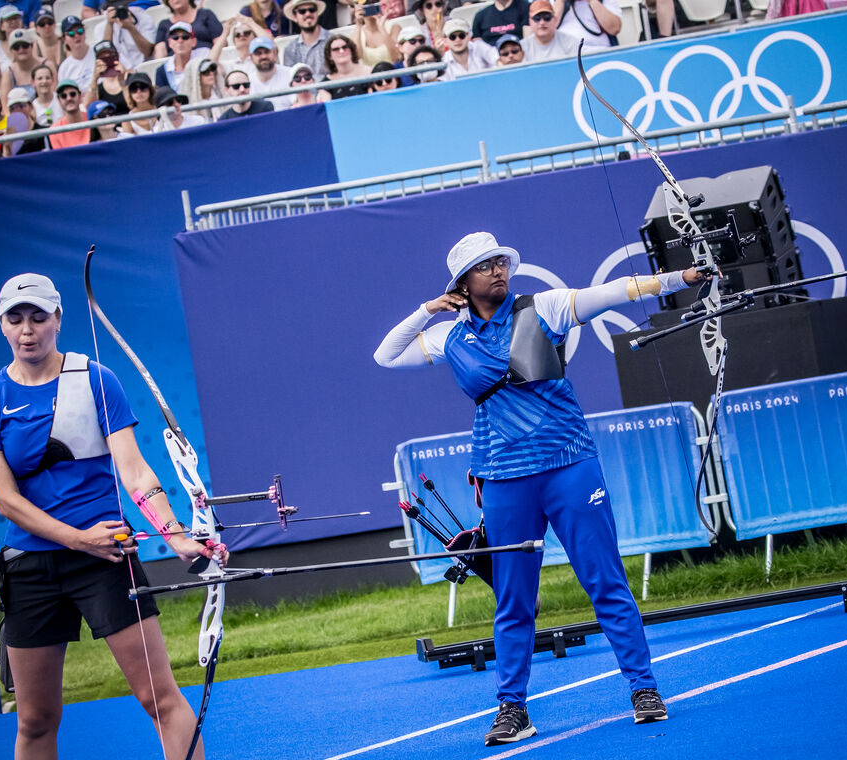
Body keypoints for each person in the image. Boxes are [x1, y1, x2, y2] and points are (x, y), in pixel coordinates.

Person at [374, 233, 709, 743]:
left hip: (569, 465)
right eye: (483, 267)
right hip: (504, 479)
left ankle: (643, 688)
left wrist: (678, 279)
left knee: (604, 581)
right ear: (462, 283)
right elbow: (386, 355)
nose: (497, 271)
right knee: (513, 599)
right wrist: (427, 309)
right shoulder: (450, 337)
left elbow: (618, 291)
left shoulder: (544, 307)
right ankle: (512, 709)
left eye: (499, 263)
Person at [0, 274, 221, 760]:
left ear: (57, 319)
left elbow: (136, 472)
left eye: (38, 316)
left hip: (106, 562)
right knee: (36, 719)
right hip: (31, 568)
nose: (28, 329)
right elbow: (8, 501)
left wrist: (179, 538)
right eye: (15, 318)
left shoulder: (96, 379)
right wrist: (80, 539)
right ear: (1, 325)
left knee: (159, 698)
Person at [95, 0, 157, 69]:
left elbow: (148, 52)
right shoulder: (100, 28)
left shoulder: (143, 18)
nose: (118, 9)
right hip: (118, 73)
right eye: (114, 7)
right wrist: (110, 25)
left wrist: (131, 28)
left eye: (122, 5)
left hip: (144, 69)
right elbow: (105, 59)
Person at [153, 0, 222, 58]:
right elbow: (160, 54)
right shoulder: (163, 24)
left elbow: (220, 42)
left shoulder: (206, 14)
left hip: (206, 60)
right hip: (176, 66)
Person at [154, 22, 209, 91]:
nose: (180, 41)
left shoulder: (203, 55)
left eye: (185, 37)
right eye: (175, 37)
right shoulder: (162, 71)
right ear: (170, 43)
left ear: (194, 41)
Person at [281, 0, 331, 74]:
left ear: (317, 13)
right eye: (302, 11)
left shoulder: (333, 41)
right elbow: (291, 79)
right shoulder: (290, 49)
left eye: (312, 10)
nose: (308, 14)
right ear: (295, 17)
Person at [241, 37, 292, 108]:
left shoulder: (291, 74)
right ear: (251, 58)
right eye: (258, 53)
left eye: (267, 52)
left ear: (275, 54)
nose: (264, 56)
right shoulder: (247, 83)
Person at [351, 0, 399, 68]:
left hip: (393, 72)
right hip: (369, 75)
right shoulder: (357, 34)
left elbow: (397, 57)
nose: (370, 7)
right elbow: (357, 59)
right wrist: (358, 24)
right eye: (366, 4)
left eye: (373, 3)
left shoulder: (394, 28)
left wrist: (381, 28)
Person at [553, 0, 620, 49]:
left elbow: (614, 28)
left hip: (598, 51)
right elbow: (548, 27)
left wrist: (592, 1)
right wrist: (560, 2)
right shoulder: (554, 3)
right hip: (564, 54)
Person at [0, 4, 24, 91]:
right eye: (9, 20)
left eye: (16, 18)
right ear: (1, 26)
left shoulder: (32, 44)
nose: (13, 22)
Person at [322, 34, 371, 99]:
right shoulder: (326, 83)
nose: (341, 51)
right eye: (336, 49)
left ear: (351, 50)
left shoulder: (370, 72)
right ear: (330, 56)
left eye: (345, 47)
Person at [0, 29, 45, 98]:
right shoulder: (8, 73)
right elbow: (5, 105)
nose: (21, 50)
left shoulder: (45, 65)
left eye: (25, 45)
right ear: (11, 50)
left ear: (32, 46)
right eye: (16, 47)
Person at [87, 41, 130, 113]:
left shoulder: (130, 78)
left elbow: (133, 105)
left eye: (110, 55)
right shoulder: (98, 86)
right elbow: (89, 109)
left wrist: (122, 81)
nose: (107, 59)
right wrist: (95, 79)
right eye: (102, 57)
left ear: (117, 56)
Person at [4, 87, 48, 154]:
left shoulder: (44, 132)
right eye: (14, 108)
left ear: (31, 106)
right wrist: (7, 147)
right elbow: (8, 162)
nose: (18, 110)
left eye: (22, 106)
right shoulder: (9, 136)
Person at [58, 16, 96, 91]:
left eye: (80, 31)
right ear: (64, 39)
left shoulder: (98, 52)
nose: (77, 36)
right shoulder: (64, 68)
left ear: (85, 33)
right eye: (71, 33)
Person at [48, 78, 89, 148]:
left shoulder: (92, 119)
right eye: (64, 96)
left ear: (80, 96)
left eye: (72, 94)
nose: (69, 98)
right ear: (59, 100)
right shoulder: (54, 130)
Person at [121, 70, 157, 134]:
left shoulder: (162, 111)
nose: (138, 91)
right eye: (133, 88)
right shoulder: (127, 121)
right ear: (129, 93)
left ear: (151, 89)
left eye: (143, 87)